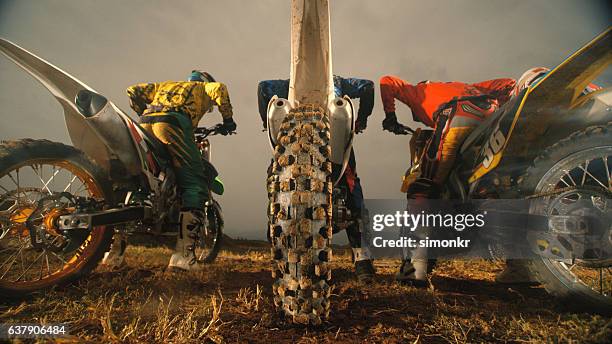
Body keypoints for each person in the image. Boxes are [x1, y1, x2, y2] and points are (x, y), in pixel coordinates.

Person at [379, 69, 550, 286]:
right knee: (494, 188)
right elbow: (508, 83)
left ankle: (413, 268)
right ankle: (520, 266)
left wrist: (390, 116)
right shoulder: (473, 85)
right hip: (492, 120)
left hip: (458, 115)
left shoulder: (418, 90)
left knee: (423, 186)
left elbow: (388, 81)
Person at [102, 70, 237, 271]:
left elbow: (133, 90)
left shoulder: (165, 85)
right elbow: (219, 89)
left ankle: (113, 254)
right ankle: (183, 257)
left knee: (141, 181)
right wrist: (228, 121)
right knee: (195, 184)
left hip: (145, 124)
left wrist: (143, 112)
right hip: (174, 124)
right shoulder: (202, 87)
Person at [258, 75, 376, 281]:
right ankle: (362, 258)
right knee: (351, 189)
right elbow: (367, 87)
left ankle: (279, 245)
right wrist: (362, 119)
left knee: (276, 183)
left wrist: (265, 122)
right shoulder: (337, 82)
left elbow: (263, 87)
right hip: (331, 140)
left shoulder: (291, 83)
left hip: (293, 144)